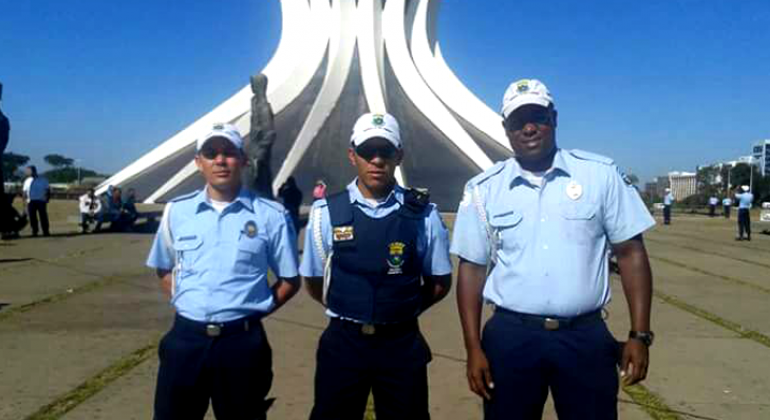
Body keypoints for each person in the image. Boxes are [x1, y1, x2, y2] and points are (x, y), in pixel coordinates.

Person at [451, 79, 655, 420]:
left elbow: (631, 253)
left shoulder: (599, 176)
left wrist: (640, 335)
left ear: (554, 118)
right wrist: (473, 348)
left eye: (537, 117)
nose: (529, 127)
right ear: (506, 129)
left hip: (584, 338)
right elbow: (471, 270)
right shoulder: (483, 190)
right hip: (510, 339)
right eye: (518, 121)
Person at [300, 113, 452, 420]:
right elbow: (314, 281)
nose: (377, 160)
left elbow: (439, 282)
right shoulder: (326, 212)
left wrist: (397, 308)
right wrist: (351, 304)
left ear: (399, 156)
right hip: (344, 342)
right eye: (368, 151)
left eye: (386, 151)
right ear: (352, 155)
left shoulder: (423, 214)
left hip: (401, 343)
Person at [146, 123, 300, 420]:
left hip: (241, 344)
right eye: (211, 153)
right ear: (198, 163)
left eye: (229, 153)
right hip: (185, 340)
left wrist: (256, 310)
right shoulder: (177, 212)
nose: (220, 160)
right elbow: (164, 267)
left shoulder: (271, 215)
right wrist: (186, 301)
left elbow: (290, 280)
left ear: (243, 160)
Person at [22, 165, 50, 237]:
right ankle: (35, 231)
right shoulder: (27, 181)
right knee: (32, 217)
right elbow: (24, 192)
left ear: (33, 171)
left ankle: (46, 231)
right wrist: (24, 202)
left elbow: (47, 190)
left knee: (43, 217)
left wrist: (47, 199)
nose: (26, 172)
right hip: (31, 201)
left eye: (28, 170)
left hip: (41, 201)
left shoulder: (43, 180)